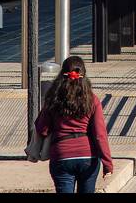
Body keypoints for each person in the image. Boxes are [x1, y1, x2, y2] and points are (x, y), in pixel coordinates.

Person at [33, 55, 114, 193]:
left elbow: (42, 129)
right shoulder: (92, 100)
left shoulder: (53, 98)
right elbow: (100, 135)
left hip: (62, 155)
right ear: (84, 76)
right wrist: (107, 163)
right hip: (88, 156)